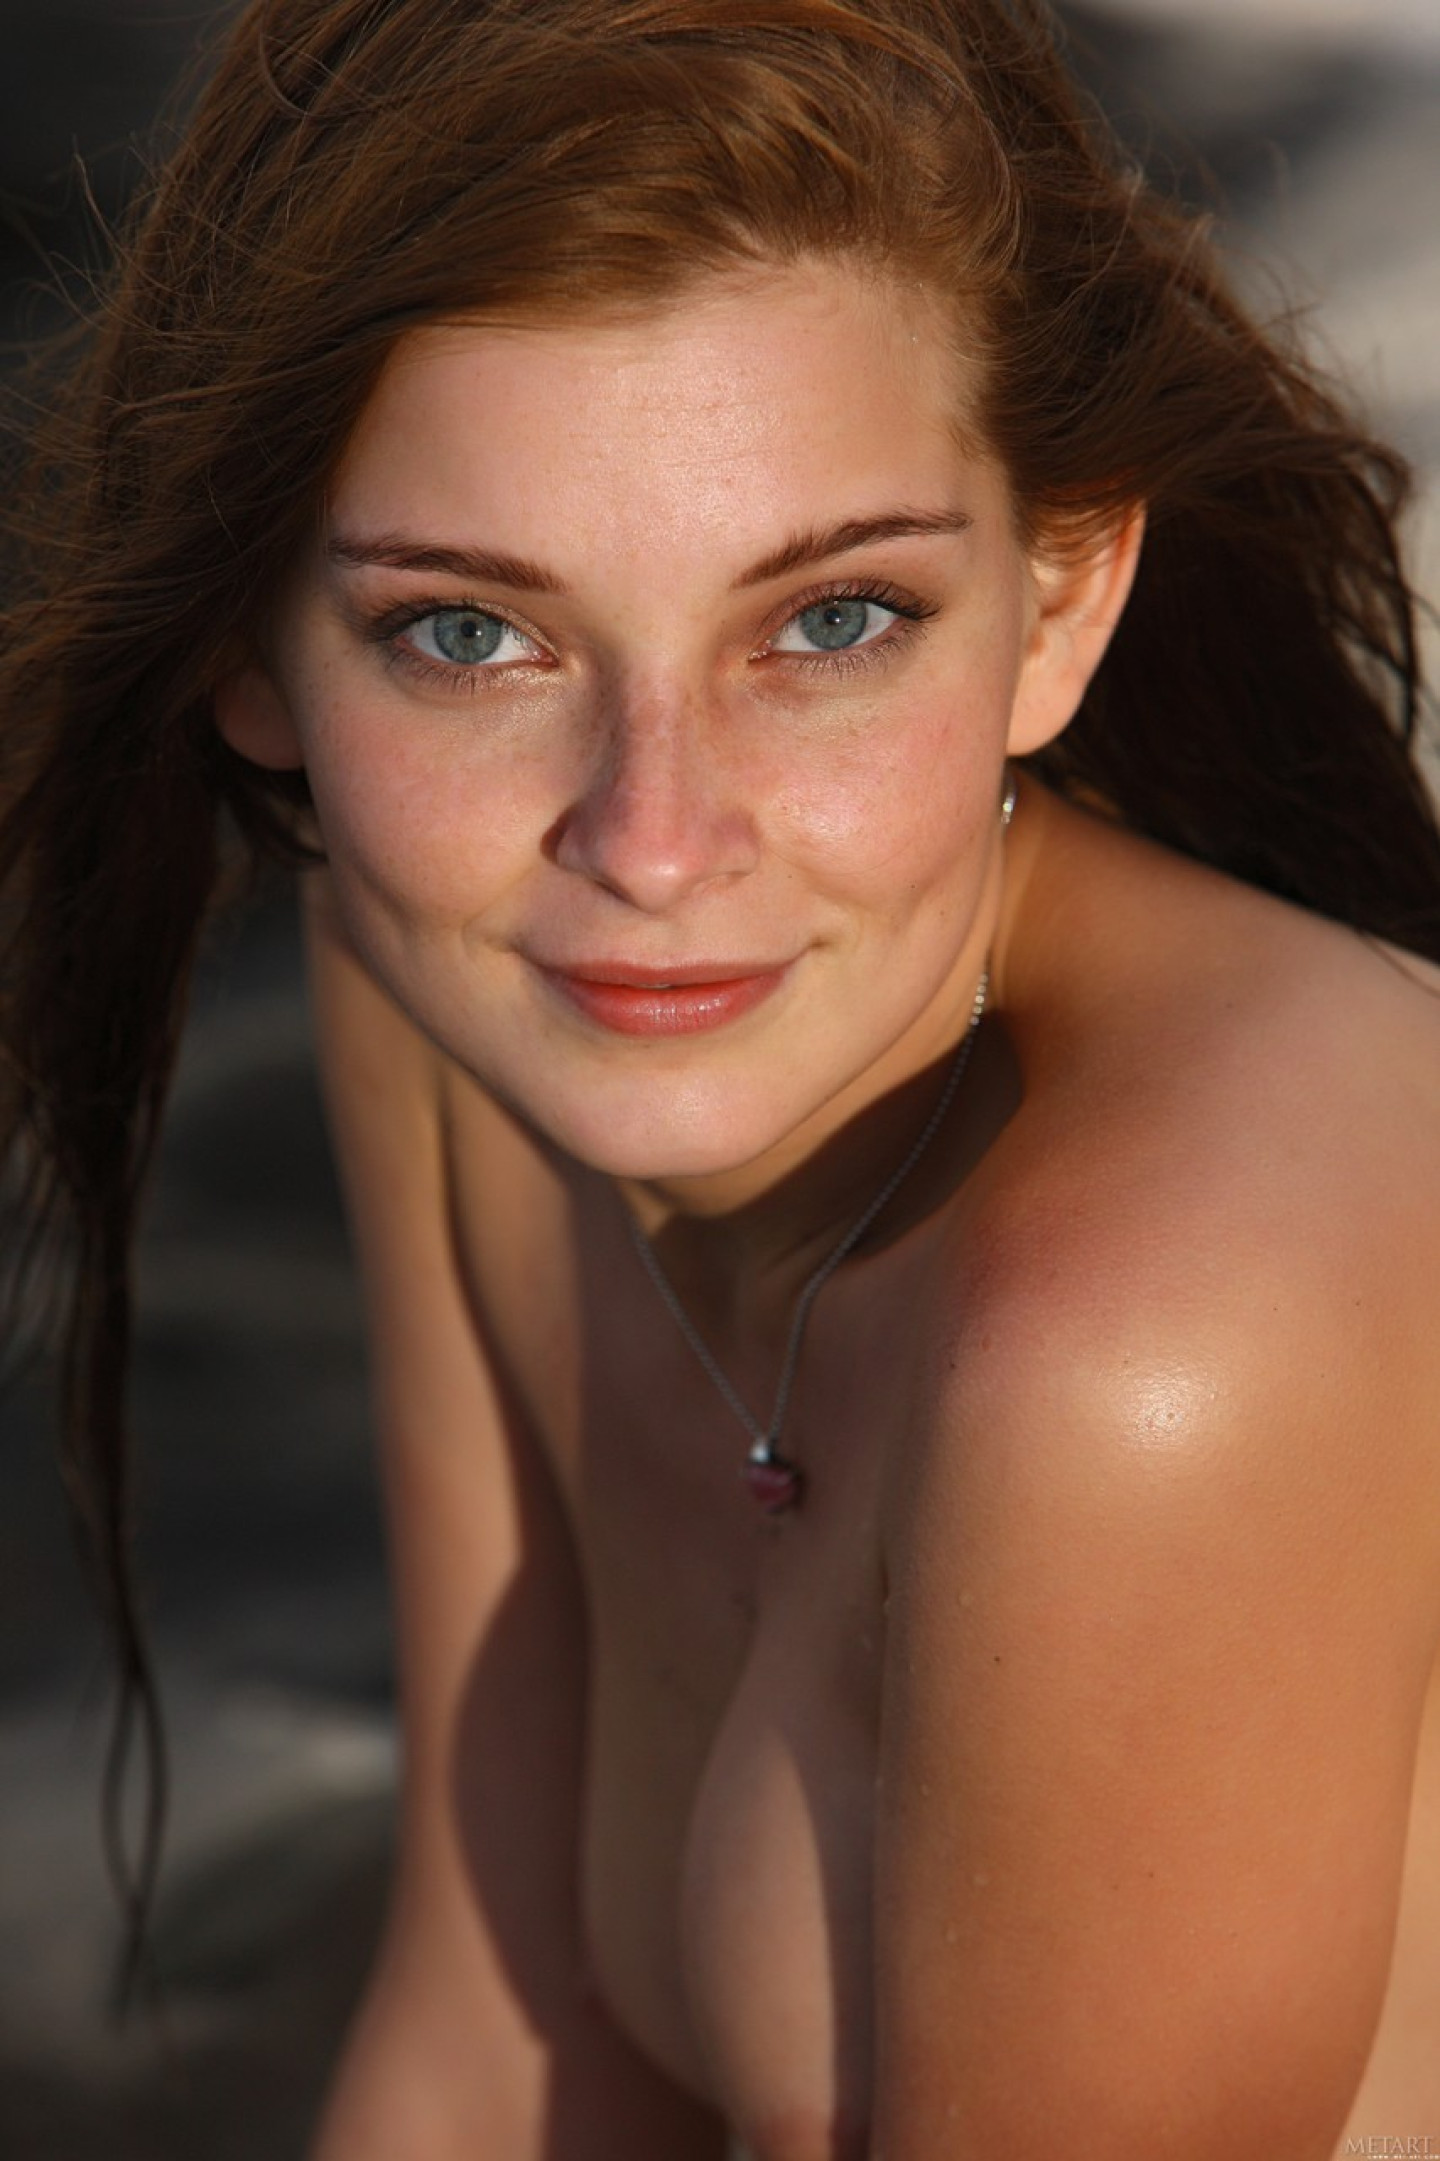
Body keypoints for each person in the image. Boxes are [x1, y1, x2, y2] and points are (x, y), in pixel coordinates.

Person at [2, 0, 1439, 2153]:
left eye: (833, 621)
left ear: (1061, 598)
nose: (653, 846)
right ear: (252, 649)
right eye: (469, 635)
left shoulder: (1156, 1338)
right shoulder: (450, 1001)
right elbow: (503, 2042)